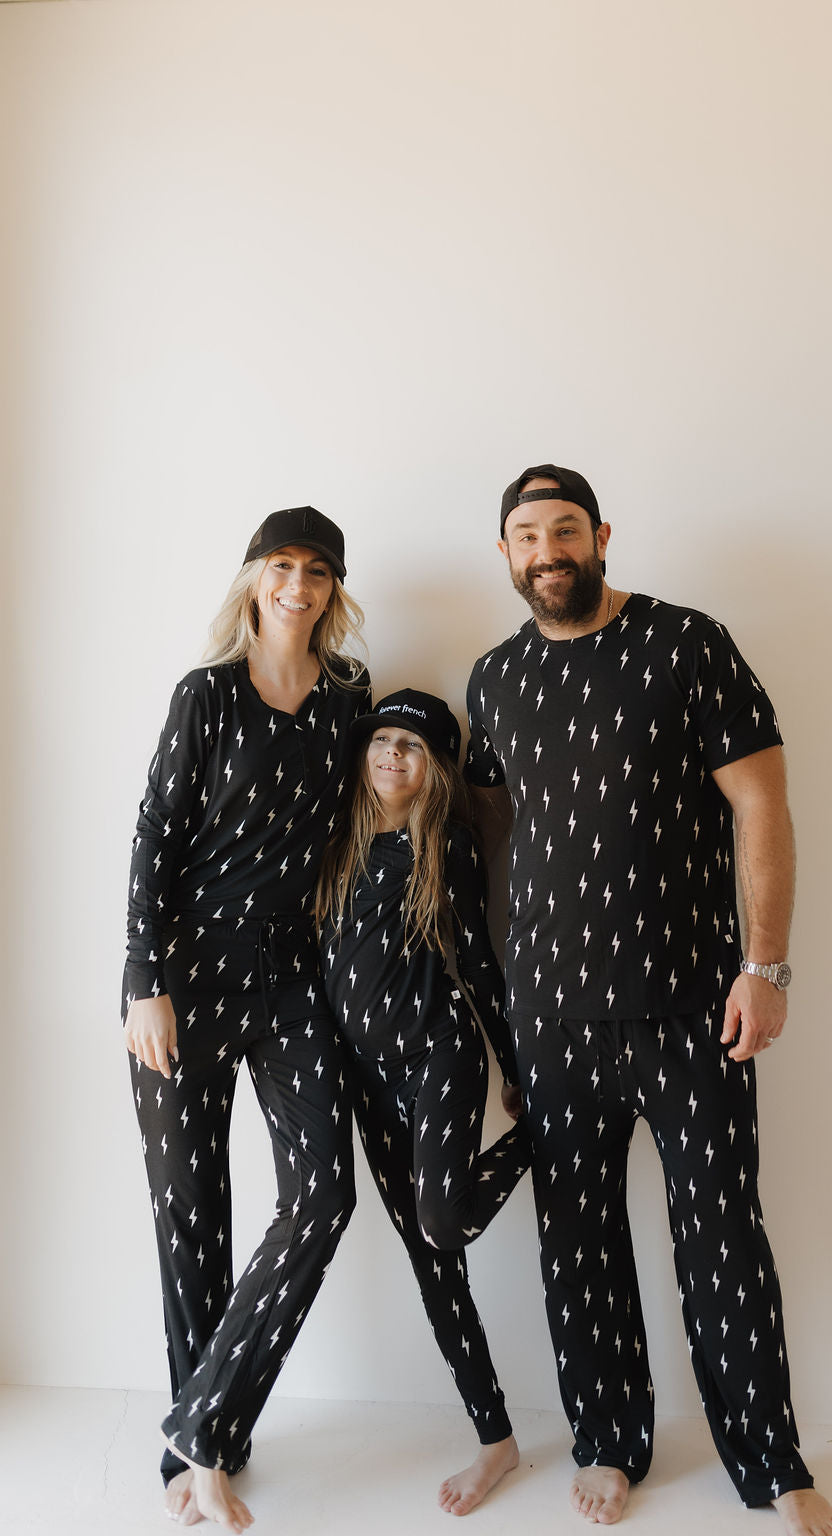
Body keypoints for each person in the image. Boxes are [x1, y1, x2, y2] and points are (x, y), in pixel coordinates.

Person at [464, 465, 832, 1535]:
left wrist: (763, 966)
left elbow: (761, 803)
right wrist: (499, 999)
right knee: (575, 1241)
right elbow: (496, 838)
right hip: (551, 1016)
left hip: (690, 1006)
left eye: (566, 529)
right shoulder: (492, 680)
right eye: (527, 534)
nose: (549, 550)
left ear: (601, 536)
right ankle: (607, 1442)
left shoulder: (688, 644)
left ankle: (770, 1461)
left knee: (723, 1233)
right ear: (505, 553)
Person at [122, 507, 370, 1533]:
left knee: (323, 1194)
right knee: (193, 1211)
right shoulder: (207, 696)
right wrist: (143, 983)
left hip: (292, 973)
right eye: (282, 566)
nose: (297, 585)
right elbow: (154, 838)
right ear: (254, 579)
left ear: (332, 590)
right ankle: (202, 1457)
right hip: (183, 974)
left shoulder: (350, 698)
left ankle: (201, 1426)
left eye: (316, 571)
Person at [316, 688, 530, 1517]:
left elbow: (480, 964)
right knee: (433, 1264)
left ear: (436, 765)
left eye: (411, 745)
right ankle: (496, 1438)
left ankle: (538, 1138)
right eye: (382, 739)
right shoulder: (335, 842)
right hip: (365, 1080)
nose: (391, 755)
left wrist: (515, 1070)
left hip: (438, 1059)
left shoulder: (444, 847)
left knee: (444, 1224)